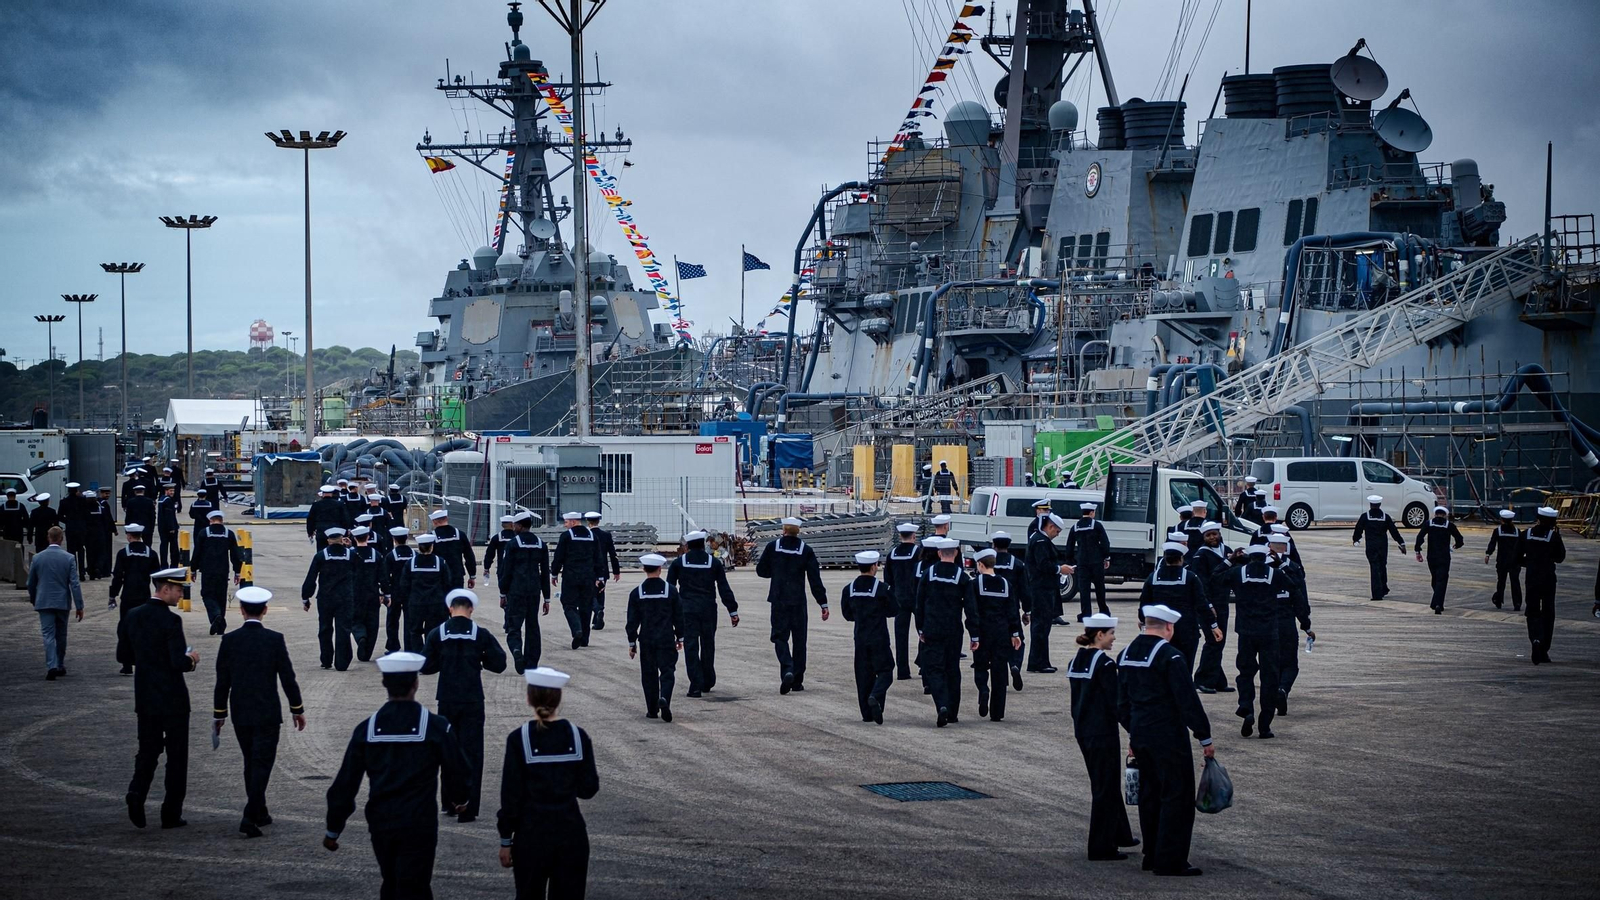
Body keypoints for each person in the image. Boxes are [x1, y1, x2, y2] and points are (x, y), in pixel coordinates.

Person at [324, 651, 471, 900]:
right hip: (419, 821)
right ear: (415, 684)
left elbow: (345, 785)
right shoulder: (436, 727)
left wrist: (333, 829)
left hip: (381, 821)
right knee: (416, 884)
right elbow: (457, 769)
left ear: (384, 684)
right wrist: (460, 799)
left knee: (391, 880)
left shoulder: (367, 729)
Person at [1116, 604, 1214, 877]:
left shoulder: (1125, 655)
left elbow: (1120, 703)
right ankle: (1170, 859)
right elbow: (1187, 701)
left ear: (1145, 624)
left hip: (1141, 735)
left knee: (1150, 794)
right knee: (1176, 796)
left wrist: (1134, 729)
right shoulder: (1171, 657)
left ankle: (1152, 853)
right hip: (1168, 736)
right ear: (1169, 628)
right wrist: (1204, 736)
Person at [496, 667, 598, 900]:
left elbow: (510, 797)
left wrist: (505, 839)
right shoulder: (577, 735)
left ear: (529, 698)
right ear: (558, 698)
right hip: (571, 833)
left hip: (531, 835)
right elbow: (588, 788)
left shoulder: (519, 738)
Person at [212, 586, 306, 838]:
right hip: (267, 711)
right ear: (265, 610)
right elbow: (287, 677)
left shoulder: (229, 641)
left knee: (250, 761)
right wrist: (297, 708)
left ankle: (260, 810)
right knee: (263, 763)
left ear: (241, 611)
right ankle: (250, 814)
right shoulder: (274, 639)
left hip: (240, 710)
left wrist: (219, 713)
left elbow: (223, 681)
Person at [422, 589, 508, 823]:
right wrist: (480, 659)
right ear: (471, 609)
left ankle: (449, 803)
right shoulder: (480, 634)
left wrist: (444, 659)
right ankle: (468, 807)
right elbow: (500, 663)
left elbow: (425, 665)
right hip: (472, 699)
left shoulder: (437, 633)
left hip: (447, 699)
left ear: (450, 609)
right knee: (473, 752)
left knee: (448, 751)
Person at [124, 567, 200, 829]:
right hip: (173, 697)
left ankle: (137, 792)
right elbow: (178, 662)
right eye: (178, 590)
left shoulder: (132, 616)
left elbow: (123, 655)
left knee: (147, 750)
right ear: (164, 588)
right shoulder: (170, 621)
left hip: (145, 694)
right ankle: (171, 813)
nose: (180, 595)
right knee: (177, 757)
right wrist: (191, 660)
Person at [1068, 614, 1137, 861]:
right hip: (1102, 732)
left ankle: (1121, 834)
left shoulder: (1075, 662)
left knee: (1104, 783)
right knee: (1105, 788)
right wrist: (1134, 731)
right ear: (1100, 635)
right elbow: (1117, 704)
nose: (1114, 638)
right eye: (1110, 634)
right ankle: (1101, 847)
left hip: (1084, 731)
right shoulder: (1105, 665)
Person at [1223, 545, 1291, 738]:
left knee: (1245, 673)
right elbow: (1294, 584)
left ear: (1249, 557)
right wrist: (1281, 564)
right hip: (1269, 632)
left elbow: (1214, 579)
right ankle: (1265, 725)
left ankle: (1246, 707)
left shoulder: (1238, 572)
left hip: (1246, 631)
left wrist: (1230, 560)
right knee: (1270, 677)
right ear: (1265, 557)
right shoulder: (1275, 574)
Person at [754, 516, 828, 693]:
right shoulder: (806, 550)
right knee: (799, 640)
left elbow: (761, 571)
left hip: (778, 599)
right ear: (798, 531)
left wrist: (777, 572)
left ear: (784, 530)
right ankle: (797, 680)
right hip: (798, 601)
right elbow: (814, 579)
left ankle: (787, 667)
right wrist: (823, 602)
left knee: (779, 637)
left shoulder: (773, 547)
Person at [915, 538, 980, 727]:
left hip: (932, 628)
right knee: (952, 669)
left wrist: (920, 627)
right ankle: (952, 712)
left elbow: (919, 603)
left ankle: (941, 704)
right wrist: (974, 634)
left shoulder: (928, 574)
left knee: (935, 669)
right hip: (953, 629)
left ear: (939, 553)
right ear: (957, 553)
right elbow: (970, 609)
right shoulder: (962, 577)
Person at [667, 530, 738, 697]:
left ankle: (696, 684)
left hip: (687, 610)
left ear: (688, 545)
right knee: (708, 644)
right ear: (703, 544)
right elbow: (723, 588)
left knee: (691, 646)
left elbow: (670, 588)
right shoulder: (714, 563)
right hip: (708, 609)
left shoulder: (679, 563)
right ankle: (707, 679)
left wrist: (671, 610)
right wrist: (732, 610)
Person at [1137, 542, 1221, 674]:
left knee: (1161, 669)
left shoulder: (1152, 578)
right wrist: (1213, 625)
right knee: (1184, 669)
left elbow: (1144, 603)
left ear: (1164, 558)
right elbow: (1202, 604)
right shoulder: (1191, 577)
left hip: (1159, 630)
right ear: (1182, 559)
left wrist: (1143, 620)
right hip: (1186, 631)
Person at [626, 554, 685, 721]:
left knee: (649, 674)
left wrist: (632, 642)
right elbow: (679, 617)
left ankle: (652, 709)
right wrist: (680, 637)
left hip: (647, 639)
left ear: (644, 569)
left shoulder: (636, 593)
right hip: (666, 638)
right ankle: (665, 697)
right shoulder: (671, 591)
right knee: (667, 671)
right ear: (660, 569)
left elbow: (632, 621)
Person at [841, 550, 896, 724]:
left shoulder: (848, 589)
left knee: (863, 676)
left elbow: (847, 614)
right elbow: (895, 609)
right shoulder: (882, 588)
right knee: (886, 671)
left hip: (860, 638)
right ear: (874, 567)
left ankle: (866, 713)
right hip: (879, 637)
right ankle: (876, 696)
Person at [969, 548, 1023, 722]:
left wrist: (974, 635)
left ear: (980, 564)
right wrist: (1015, 633)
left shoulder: (975, 584)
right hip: (1002, 632)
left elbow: (973, 611)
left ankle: (983, 689)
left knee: (980, 665)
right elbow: (1012, 610)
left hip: (984, 632)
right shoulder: (1006, 584)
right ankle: (997, 711)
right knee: (1000, 672)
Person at [27, 525, 84, 680]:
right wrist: (79, 606)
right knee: (61, 634)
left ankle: (51, 665)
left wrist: (34, 598)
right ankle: (59, 664)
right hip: (61, 601)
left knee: (48, 634)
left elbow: (31, 582)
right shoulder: (69, 558)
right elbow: (74, 583)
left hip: (43, 601)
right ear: (61, 539)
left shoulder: (38, 558)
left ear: (48, 538)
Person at [1267, 533, 1313, 716]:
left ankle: (1274, 693)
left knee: (1271, 662)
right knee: (1290, 663)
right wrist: (1306, 625)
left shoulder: (1261, 568)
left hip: (1267, 623)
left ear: (1269, 547)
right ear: (1286, 548)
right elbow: (1301, 599)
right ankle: (1283, 690)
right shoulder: (1294, 569)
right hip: (1287, 622)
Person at [1190, 522, 1239, 694]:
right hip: (1208, 604)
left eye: (1214, 534)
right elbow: (1202, 582)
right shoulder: (1201, 555)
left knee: (1220, 641)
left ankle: (1218, 679)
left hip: (1223, 601)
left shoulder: (1227, 550)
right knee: (1213, 640)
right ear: (1203, 537)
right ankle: (1202, 679)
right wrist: (1208, 605)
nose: (1212, 537)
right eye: (1208, 535)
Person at [499, 512, 551, 672]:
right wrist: (547, 598)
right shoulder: (541, 544)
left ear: (520, 526)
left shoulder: (513, 544)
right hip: (534, 591)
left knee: (514, 625)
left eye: (515, 525)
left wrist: (503, 593)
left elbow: (506, 571)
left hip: (516, 591)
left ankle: (516, 650)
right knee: (532, 625)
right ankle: (532, 661)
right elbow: (544, 573)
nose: (514, 528)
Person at [301, 527, 357, 671]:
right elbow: (360, 573)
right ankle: (342, 662)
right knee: (343, 629)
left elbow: (311, 577)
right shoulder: (351, 556)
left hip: (326, 597)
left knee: (325, 628)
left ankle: (326, 659)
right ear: (342, 540)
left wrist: (306, 597)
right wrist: (351, 546)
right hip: (345, 597)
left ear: (328, 541)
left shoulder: (321, 556)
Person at [551, 512, 607, 650]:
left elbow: (559, 556)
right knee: (586, 607)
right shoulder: (592, 536)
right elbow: (598, 558)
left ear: (573, 522)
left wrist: (554, 573)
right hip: (589, 577)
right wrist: (600, 577)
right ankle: (585, 639)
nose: (565, 525)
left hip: (571, 576)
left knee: (568, 605)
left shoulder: (567, 536)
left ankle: (577, 629)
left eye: (566, 522)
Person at [1025, 514, 1074, 673]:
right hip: (1041, 589)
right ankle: (1038, 662)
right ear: (1050, 527)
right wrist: (1060, 569)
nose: (1057, 535)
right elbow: (1043, 564)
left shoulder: (1040, 539)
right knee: (1041, 626)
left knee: (1043, 626)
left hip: (1043, 589)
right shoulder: (1040, 541)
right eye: (1057, 531)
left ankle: (1040, 660)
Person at [110, 523, 160, 675]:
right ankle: (142, 661)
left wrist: (113, 595)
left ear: (129, 536)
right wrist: (159, 596)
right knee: (143, 630)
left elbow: (118, 576)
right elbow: (156, 577)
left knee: (125, 628)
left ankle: (126, 663)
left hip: (128, 597)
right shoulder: (150, 553)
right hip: (144, 596)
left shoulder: (123, 554)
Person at [1521, 505, 1565, 664]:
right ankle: (1544, 648)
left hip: (1532, 577)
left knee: (1532, 611)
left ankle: (1535, 639)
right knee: (1548, 612)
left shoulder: (1526, 534)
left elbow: (1517, 556)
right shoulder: (1553, 536)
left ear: (1538, 519)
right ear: (1553, 522)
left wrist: (1529, 562)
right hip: (1548, 578)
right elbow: (1560, 557)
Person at [399, 533, 456, 653]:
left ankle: (418, 656)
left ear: (419, 547)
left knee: (415, 632)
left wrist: (407, 600)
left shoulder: (410, 563)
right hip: (436, 603)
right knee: (434, 631)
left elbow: (404, 584)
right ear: (432, 547)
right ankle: (432, 656)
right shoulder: (440, 562)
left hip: (416, 603)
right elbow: (447, 583)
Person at [190, 509, 242, 635]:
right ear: (222, 521)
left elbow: (197, 553)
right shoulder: (228, 534)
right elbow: (235, 554)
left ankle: (216, 616)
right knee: (221, 597)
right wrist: (237, 572)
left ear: (210, 521)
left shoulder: (204, 533)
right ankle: (220, 625)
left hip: (208, 571)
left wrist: (193, 569)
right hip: (223, 571)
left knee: (207, 595)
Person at [989, 531, 1029, 689]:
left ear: (994, 545)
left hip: (991, 611)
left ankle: (1001, 678)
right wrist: (1028, 611)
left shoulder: (987, 562)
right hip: (1011, 609)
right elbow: (1025, 590)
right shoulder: (1017, 564)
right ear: (1009, 545)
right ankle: (1015, 664)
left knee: (996, 645)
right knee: (1018, 640)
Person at [883, 522, 922, 681]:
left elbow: (888, 579)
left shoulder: (892, 554)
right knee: (923, 633)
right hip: (916, 598)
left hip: (899, 598)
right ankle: (923, 665)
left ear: (900, 536)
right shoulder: (918, 553)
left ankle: (902, 671)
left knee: (901, 636)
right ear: (914, 536)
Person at [1352, 495, 1406, 602]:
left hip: (1371, 546)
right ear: (1380, 504)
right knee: (1382, 566)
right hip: (1382, 546)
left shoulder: (1365, 517)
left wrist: (1356, 540)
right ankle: (1383, 587)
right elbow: (1394, 531)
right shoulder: (1386, 517)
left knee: (1374, 568)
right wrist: (1401, 543)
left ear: (1370, 504)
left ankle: (1377, 593)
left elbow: (1358, 529)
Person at [1414, 505, 1465, 614]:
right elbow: (1460, 540)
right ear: (1445, 515)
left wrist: (1418, 551)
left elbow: (1420, 537)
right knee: (1442, 580)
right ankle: (1438, 603)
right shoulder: (1449, 525)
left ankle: (1436, 602)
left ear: (1435, 514)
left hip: (1431, 556)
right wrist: (1454, 546)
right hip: (1444, 557)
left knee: (1435, 579)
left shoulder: (1429, 524)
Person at [1065, 502, 1111, 620]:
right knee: (1100, 587)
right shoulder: (1097, 525)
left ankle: (1085, 613)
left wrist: (1071, 561)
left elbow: (1069, 546)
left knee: (1084, 589)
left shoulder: (1075, 527)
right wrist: (1106, 557)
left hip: (1082, 562)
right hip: (1096, 561)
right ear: (1092, 512)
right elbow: (1105, 543)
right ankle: (1104, 611)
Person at [350, 526, 388, 662]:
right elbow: (382, 576)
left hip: (354, 593)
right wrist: (385, 592)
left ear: (354, 538)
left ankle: (360, 637)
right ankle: (367, 653)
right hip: (372, 593)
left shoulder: (349, 554)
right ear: (368, 537)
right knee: (372, 623)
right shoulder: (376, 555)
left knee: (356, 620)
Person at [585, 511, 621, 631]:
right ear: (598, 521)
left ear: (588, 522)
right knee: (601, 591)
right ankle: (598, 618)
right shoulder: (606, 535)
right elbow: (612, 554)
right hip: (603, 569)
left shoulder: (586, 535)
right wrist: (616, 571)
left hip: (589, 568)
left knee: (589, 593)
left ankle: (597, 610)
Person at [383, 527, 416, 653]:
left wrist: (386, 592)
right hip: (411, 591)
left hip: (395, 591)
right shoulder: (414, 555)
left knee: (392, 620)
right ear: (406, 538)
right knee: (410, 620)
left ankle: (393, 646)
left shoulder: (391, 556)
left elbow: (385, 575)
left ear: (394, 540)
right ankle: (410, 646)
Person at [430, 509, 477, 589]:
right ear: (447, 518)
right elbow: (469, 556)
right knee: (456, 600)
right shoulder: (460, 534)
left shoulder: (431, 537)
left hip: (438, 576)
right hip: (457, 575)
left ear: (434, 522)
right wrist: (472, 575)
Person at [1486, 509, 1523, 611]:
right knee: (1515, 582)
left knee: (1501, 581)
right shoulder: (1517, 531)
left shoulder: (1498, 531)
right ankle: (1517, 603)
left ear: (1501, 519)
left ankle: (1498, 600)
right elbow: (1522, 546)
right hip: (1515, 561)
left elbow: (1492, 543)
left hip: (1502, 560)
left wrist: (1488, 554)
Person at [307, 485, 349, 551]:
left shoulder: (316, 505)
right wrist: (345, 533)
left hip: (321, 532)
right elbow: (345, 519)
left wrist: (310, 532)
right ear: (332, 493)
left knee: (321, 551)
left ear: (322, 494)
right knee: (336, 551)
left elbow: (311, 519)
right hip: (336, 533)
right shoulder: (340, 504)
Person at [156, 484, 182, 568]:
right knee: (173, 547)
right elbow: (169, 515)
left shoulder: (161, 499)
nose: (172, 492)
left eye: (173, 491)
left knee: (163, 545)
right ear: (166, 491)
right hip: (169, 528)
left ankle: (163, 563)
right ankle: (174, 563)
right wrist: (172, 528)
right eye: (170, 491)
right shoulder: (168, 501)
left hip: (162, 527)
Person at [483, 515, 515, 580]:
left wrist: (486, 568)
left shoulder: (497, 538)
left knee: (503, 589)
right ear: (512, 524)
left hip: (502, 569)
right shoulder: (518, 537)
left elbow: (490, 554)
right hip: (517, 570)